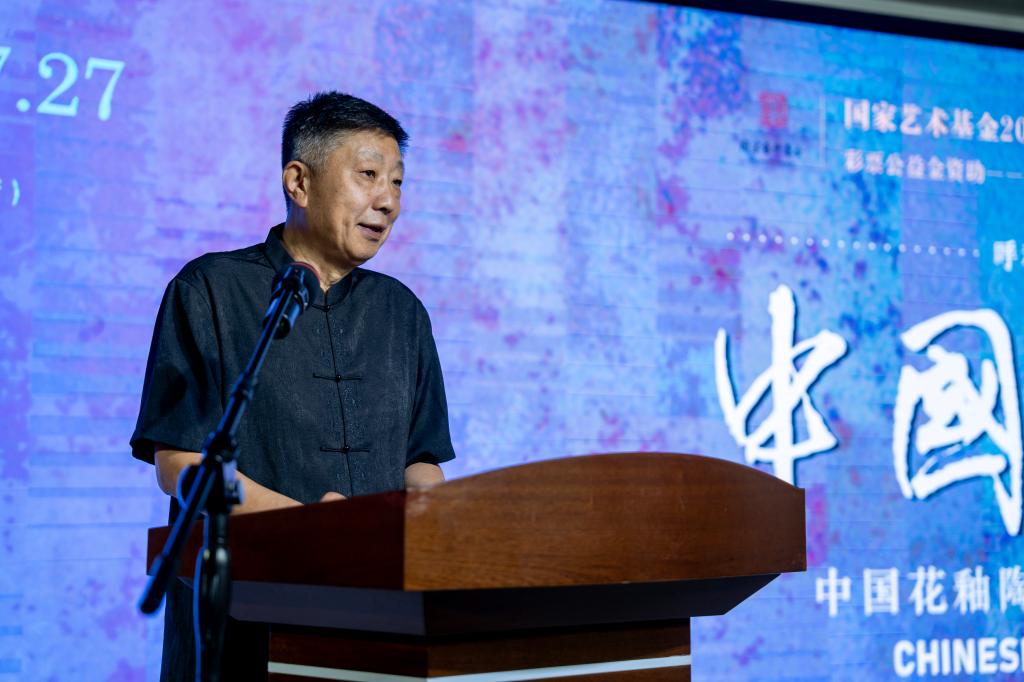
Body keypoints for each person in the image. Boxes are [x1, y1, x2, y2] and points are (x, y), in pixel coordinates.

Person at [130, 91, 456, 681]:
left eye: (397, 182)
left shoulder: (403, 313)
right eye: (368, 175)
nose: (388, 201)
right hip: (243, 625)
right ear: (299, 182)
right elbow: (180, 464)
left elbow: (421, 462)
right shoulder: (209, 289)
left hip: (380, 624)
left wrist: (430, 534)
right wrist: (314, 530)